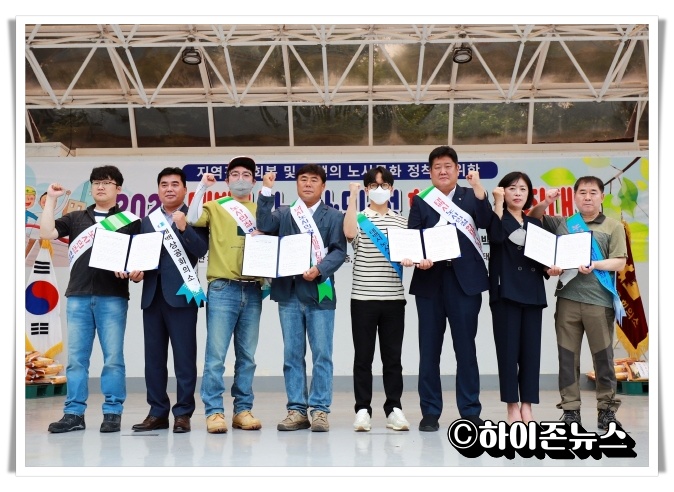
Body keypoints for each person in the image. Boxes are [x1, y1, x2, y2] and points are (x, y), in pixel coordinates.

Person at [40, 166, 141, 433]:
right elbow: (46, 233)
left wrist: (135, 270)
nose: (100, 186)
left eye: (107, 182)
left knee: (113, 358)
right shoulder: (76, 218)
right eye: (96, 182)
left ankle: (113, 412)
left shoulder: (131, 221)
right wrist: (50, 200)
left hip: (113, 297)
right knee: (76, 359)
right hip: (78, 297)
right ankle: (73, 414)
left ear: (118, 188)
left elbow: (139, 258)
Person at [528, 176, 627, 430]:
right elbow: (533, 218)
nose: (587, 197)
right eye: (582, 192)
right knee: (567, 358)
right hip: (568, 301)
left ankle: (606, 411)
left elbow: (619, 261)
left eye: (593, 192)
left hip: (599, 302)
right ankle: (570, 411)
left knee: (603, 359)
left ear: (602, 197)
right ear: (574, 197)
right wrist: (546, 202)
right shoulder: (563, 223)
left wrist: (595, 264)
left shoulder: (613, 226)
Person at [256, 164, 347, 432]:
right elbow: (263, 224)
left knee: (322, 355)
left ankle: (320, 410)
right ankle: (296, 410)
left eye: (314, 180)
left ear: (323, 186)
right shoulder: (284, 213)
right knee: (292, 355)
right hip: (289, 294)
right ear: (296, 184)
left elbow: (339, 251)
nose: (307, 184)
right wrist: (266, 190)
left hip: (320, 291)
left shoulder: (335, 216)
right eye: (303, 179)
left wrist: (320, 269)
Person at [408, 145, 492, 432]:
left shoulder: (471, 195)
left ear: (457, 169)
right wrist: (418, 258)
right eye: (437, 167)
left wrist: (479, 189)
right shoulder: (421, 201)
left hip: (465, 284)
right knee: (429, 350)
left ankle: (470, 410)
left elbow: (486, 222)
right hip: (429, 283)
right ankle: (430, 412)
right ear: (430, 172)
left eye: (447, 166)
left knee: (466, 349)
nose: (442, 171)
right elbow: (413, 237)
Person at [186, 156, 263, 434]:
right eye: (235, 174)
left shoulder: (262, 210)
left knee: (247, 356)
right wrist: (201, 187)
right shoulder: (215, 206)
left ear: (253, 181)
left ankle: (242, 410)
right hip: (222, 287)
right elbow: (192, 218)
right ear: (228, 180)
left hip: (253, 288)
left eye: (246, 175)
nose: (241, 179)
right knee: (216, 356)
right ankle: (214, 411)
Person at [128, 167, 208, 433]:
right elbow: (140, 255)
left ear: (184, 189)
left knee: (184, 359)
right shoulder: (148, 221)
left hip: (183, 295)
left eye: (175, 184)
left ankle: (183, 413)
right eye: (164, 184)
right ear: (158, 189)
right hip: (152, 296)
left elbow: (201, 249)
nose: (169, 189)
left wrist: (184, 228)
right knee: (153, 359)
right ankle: (157, 412)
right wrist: (136, 273)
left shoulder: (195, 216)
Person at [487, 172, 560, 424]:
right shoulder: (497, 217)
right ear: (502, 191)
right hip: (505, 292)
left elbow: (540, 259)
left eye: (522, 189)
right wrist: (497, 202)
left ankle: (527, 404)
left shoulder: (534, 224)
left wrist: (550, 268)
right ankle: (512, 406)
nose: (517, 193)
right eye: (512, 188)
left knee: (530, 353)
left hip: (532, 292)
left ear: (528, 194)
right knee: (507, 352)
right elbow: (496, 237)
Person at [343, 166, 410, 432]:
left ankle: (394, 408)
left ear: (392, 189)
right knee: (363, 357)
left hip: (394, 298)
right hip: (363, 298)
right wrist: (352, 198)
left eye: (384, 185)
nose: (379, 189)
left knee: (393, 358)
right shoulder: (359, 218)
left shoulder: (401, 221)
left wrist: (412, 259)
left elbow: (410, 253)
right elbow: (349, 233)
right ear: (367, 189)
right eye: (373, 185)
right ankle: (362, 409)